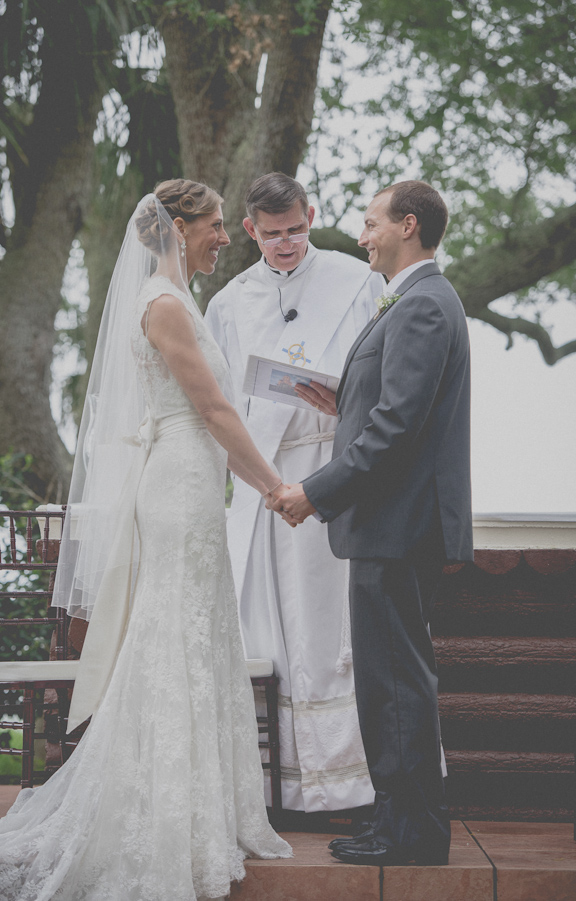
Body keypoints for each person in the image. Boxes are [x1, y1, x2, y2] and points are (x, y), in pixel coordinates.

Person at [0, 179, 292, 901]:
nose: (225, 236)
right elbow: (210, 407)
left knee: (197, 633)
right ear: (179, 229)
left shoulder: (181, 300)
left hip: (194, 481)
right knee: (173, 634)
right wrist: (273, 486)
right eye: (216, 225)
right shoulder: (162, 304)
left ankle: (204, 806)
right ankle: (160, 813)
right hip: (180, 480)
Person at [271, 181, 473, 865]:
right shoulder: (418, 301)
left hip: (397, 524)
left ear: (406, 225)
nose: (361, 236)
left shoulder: (420, 305)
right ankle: (396, 819)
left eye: (370, 222)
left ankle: (412, 834)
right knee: (388, 678)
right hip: (394, 524)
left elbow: (395, 428)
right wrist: (343, 395)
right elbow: (387, 405)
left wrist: (314, 492)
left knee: (396, 681)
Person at [205, 172, 385, 813]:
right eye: (272, 235)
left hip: (332, 477)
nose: (286, 245)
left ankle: (349, 788)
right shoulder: (227, 304)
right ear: (250, 230)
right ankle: (276, 789)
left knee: (328, 634)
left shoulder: (359, 283)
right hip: (263, 488)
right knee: (268, 636)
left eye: (296, 231)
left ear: (311, 216)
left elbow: (390, 390)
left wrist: (345, 402)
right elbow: (217, 401)